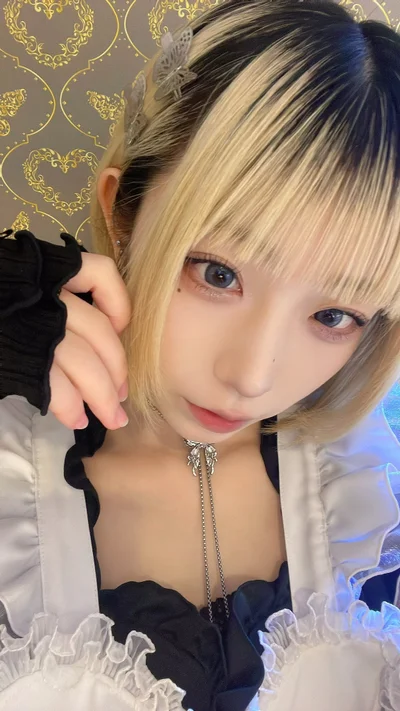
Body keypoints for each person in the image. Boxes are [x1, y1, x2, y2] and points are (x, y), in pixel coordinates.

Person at [1, 0, 400, 708]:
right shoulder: (10, 475)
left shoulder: (375, 494)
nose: (250, 376)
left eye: (333, 315)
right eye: (218, 273)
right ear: (124, 215)